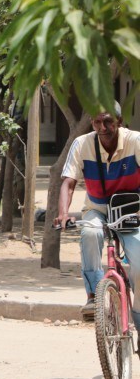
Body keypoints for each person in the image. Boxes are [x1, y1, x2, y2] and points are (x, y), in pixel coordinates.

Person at [53, 105, 140, 322]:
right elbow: (69, 182)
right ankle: (94, 295)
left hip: (132, 211)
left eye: (108, 121)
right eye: (97, 122)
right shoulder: (82, 144)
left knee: (139, 264)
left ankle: (138, 317)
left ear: (120, 121)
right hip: (97, 208)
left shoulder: (135, 141)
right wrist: (63, 213)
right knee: (90, 233)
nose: (102, 127)